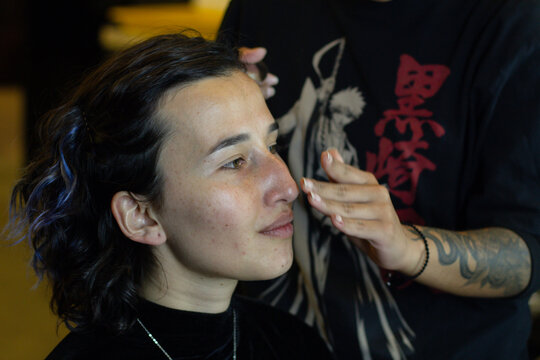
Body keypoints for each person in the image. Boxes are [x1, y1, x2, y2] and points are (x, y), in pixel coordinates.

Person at [218, 0, 540, 358]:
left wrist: (405, 248)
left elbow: (527, 255)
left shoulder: (511, 22)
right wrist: (223, 104)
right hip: (273, 340)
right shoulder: (260, 9)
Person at [8, 32, 333, 359]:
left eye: (272, 146)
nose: (288, 186)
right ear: (141, 215)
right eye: (234, 162)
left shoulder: (294, 343)